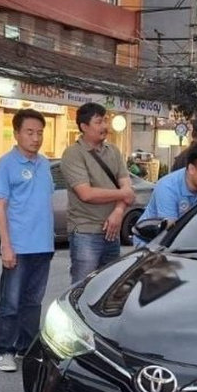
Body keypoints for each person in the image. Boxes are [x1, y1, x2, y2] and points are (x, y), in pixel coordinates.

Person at [0, 109, 55, 372]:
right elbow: (0, 206)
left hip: (43, 246)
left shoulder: (44, 164)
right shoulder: (6, 164)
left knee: (33, 303)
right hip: (18, 246)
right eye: (30, 132)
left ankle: (26, 349)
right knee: (11, 302)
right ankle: (4, 350)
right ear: (17, 133)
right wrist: (6, 245)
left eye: (40, 132)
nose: (36, 137)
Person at [61, 102, 134, 283]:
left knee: (109, 287)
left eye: (105, 121)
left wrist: (118, 213)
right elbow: (86, 193)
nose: (104, 127)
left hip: (112, 230)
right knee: (82, 287)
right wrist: (123, 195)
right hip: (86, 231)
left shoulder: (114, 151)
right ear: (84, 127)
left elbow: (127, 187)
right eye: (99, 122)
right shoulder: (73, 154)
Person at [134, 144, 197, 246]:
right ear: (192, 169)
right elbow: (169, 230)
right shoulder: (167, 187)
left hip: (184, 238)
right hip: (150, 242)